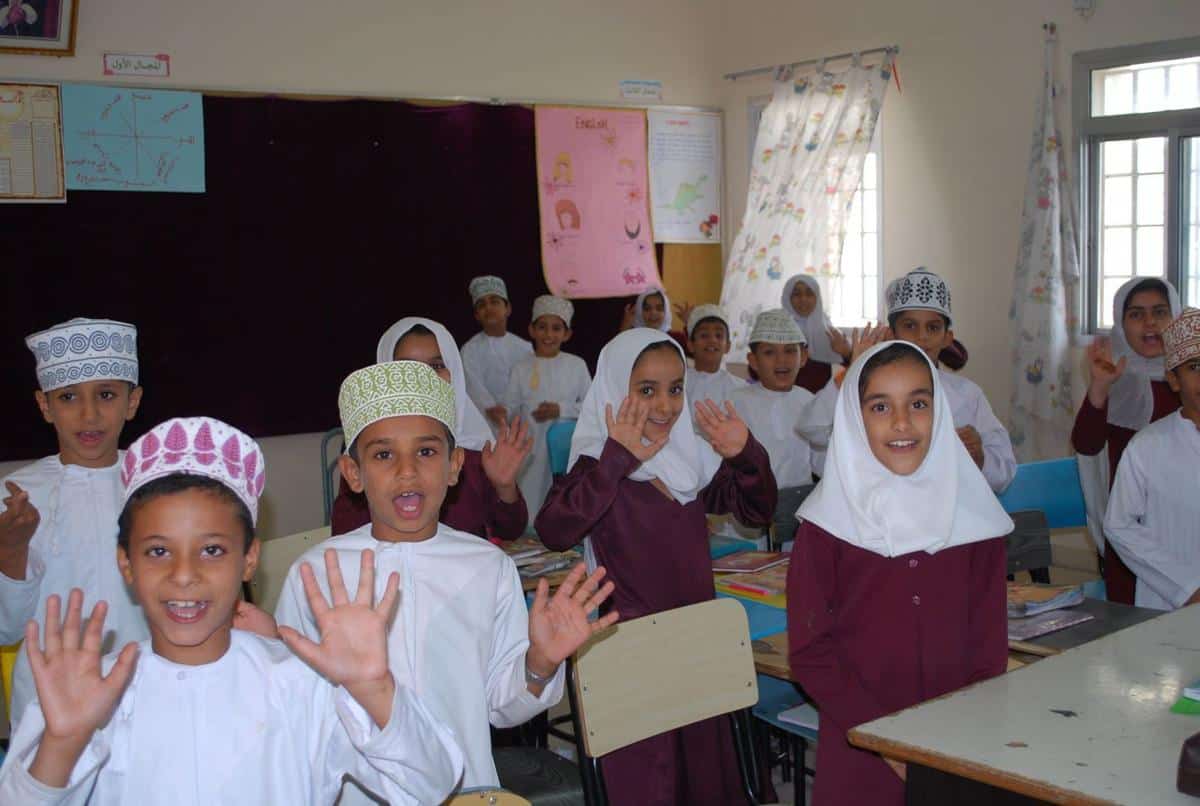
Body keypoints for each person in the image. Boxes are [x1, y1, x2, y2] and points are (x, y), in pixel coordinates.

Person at [0, 416, 464, 804]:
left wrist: (373, 688)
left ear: (249, 559)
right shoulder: (94, 694)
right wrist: (62, 745)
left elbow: (432, 784)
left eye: (212, 550)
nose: (185, 575)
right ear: (126, 563)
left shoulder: (302, 686)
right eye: (159, 551)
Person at [276, 360, 617, 797]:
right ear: (353, 473)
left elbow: (501, 706)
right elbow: (295, 715)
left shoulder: (487, 567)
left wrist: (539, 664)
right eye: (383, 455)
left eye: (426, 452)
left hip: (465, 790)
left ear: (454, 466)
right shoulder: (315, 575)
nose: (407, 470)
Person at [536, 328, 776, 804]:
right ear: (613, 390)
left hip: (695, 642)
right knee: (651, 780)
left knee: (704, 773)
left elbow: (757, 510)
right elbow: (553, 529)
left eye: (675, 388)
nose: (665, 406)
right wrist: (616, 462)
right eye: (646, 390)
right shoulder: (598, 464)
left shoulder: (689, 459)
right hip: (632, 652)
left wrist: (746, 453)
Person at [788, 341, 1013, 806]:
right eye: (880, 407)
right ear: (854, 419)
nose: (902, 422)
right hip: (861, 746)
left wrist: (958, 734)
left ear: (940, 410)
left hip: (956, 743)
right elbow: (811, 653)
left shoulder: (977, 520)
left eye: (918, 403)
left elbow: (989, 650)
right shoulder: (826, 525)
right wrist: (884, 741)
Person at [0, 318, 148, 726]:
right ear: (45, 406)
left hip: (150, 694)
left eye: (106, 394)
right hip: (50, 708)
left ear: (132, 401)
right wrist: (10, 549)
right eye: (68, 397)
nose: (89, 414)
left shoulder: (157, 485)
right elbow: (6, 629)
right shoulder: (14, 496)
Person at [796, 268, 1017, 494]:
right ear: (891, 333)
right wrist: (852, 374)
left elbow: (1005, 474)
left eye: (933, 327)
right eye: (910, 326)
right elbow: (812, 430)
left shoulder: (967, 395)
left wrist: (980, 458)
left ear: (947, 338)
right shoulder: (868, 388)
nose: (922, 336)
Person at [330, 317, 531, 539]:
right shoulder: (366, 445)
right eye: (407, 368)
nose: (424, 378)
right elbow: (345, 533)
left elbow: (511, 530)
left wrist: (504, 487)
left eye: (436, 366)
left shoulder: (478, 447)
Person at [1073, 277, 1182, 604]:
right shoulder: (1114, 378)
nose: (1149, 323)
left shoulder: (1190, 378)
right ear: (1121, 325)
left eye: (1160, 312)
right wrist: (1100, 387)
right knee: (1137, 624)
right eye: (1136, 314)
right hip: (1131, 531)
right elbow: (1087, 446)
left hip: (1186, 523)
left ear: (1175, 318)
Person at [1103, 307, 1200, 611]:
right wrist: (1187, 587)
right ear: (1173, 379)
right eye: (1195, 366)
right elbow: (1119, 525)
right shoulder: (1147, 447)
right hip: (1170, 605)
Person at [730, 309, 821, 543]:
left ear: (803, 357)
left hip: (799, 515)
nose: (782, 360)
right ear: (753, 361)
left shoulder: (810, 402)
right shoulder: (735, 402)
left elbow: (821, 461)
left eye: (790, 351)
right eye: (770, 352)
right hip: (747, 519)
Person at [500, 295, 591, 521]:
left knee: (562, 500)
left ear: (567, 333)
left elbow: (591, 408)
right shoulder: (521, 367)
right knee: (530, 501)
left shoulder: (577, 365)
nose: (548, 334)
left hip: (566, 447)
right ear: (531, 330)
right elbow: (510, 408)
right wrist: (502, 416)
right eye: (542, 327)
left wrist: (560, 410)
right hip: (530, 448)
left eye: (556, 328)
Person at [460, 275, 533, 428]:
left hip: (521, 424)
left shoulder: (525, 348)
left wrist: (509, 410)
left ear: (508, 308)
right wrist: (492, 409)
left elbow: (529, 388)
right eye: (482, 305)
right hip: (484, 424)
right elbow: (473, 389)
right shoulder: (469, 350)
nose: (488, 308)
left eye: (494, 302)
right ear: (477, 315)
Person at [780, 275, 851, 393]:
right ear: (788, 298)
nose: (803, 299)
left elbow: (852, 369)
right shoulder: (778, 330)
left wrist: (846, 353)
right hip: (787, 395)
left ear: (817, 298)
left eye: (809, 294)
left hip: (824, 396)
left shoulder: (830, 332)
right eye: (796, 294)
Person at [683, 304, 745, 411]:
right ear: (691, 345)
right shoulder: (680, 383)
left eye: (719, 335)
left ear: (728, 346)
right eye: (704, 335)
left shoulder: (740, 388)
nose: (712, 340)